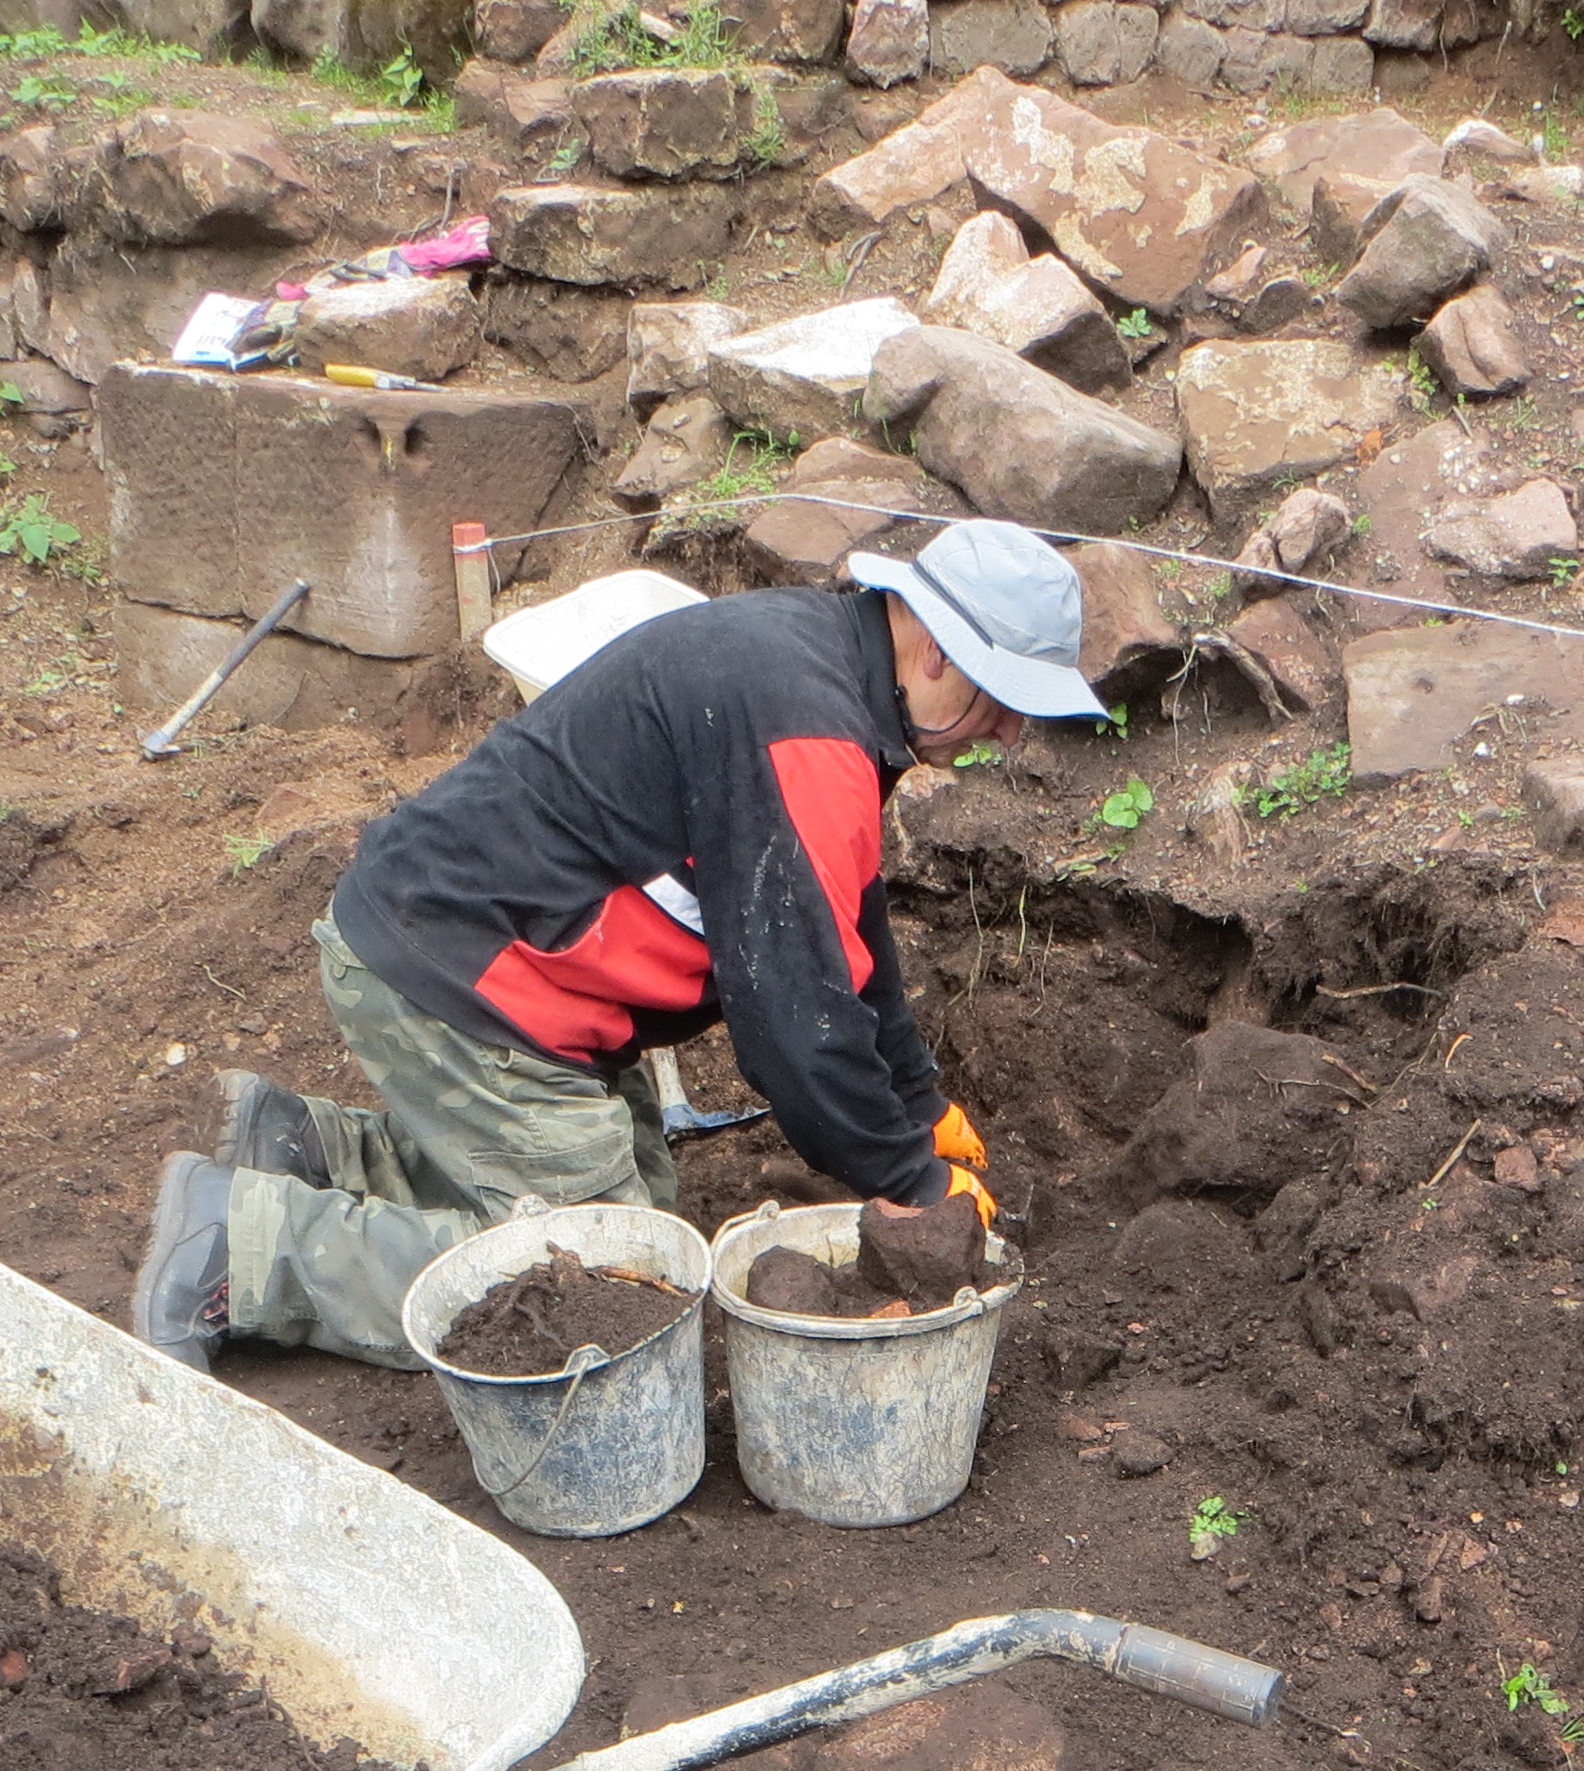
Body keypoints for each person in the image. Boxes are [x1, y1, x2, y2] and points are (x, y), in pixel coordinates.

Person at [127, 518, 1110, 1370]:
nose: (1008, 736)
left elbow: (848, 928)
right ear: (937, 649)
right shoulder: (806, 730)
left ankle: (302, 1146)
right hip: (467, 975)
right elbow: (795, 1025)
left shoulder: (824, 675)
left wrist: (918, 1106)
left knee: (644, 1211)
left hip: (491, 954)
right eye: (1003, 702)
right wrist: (906, 1181)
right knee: (609, 1290)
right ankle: (248, 1247)